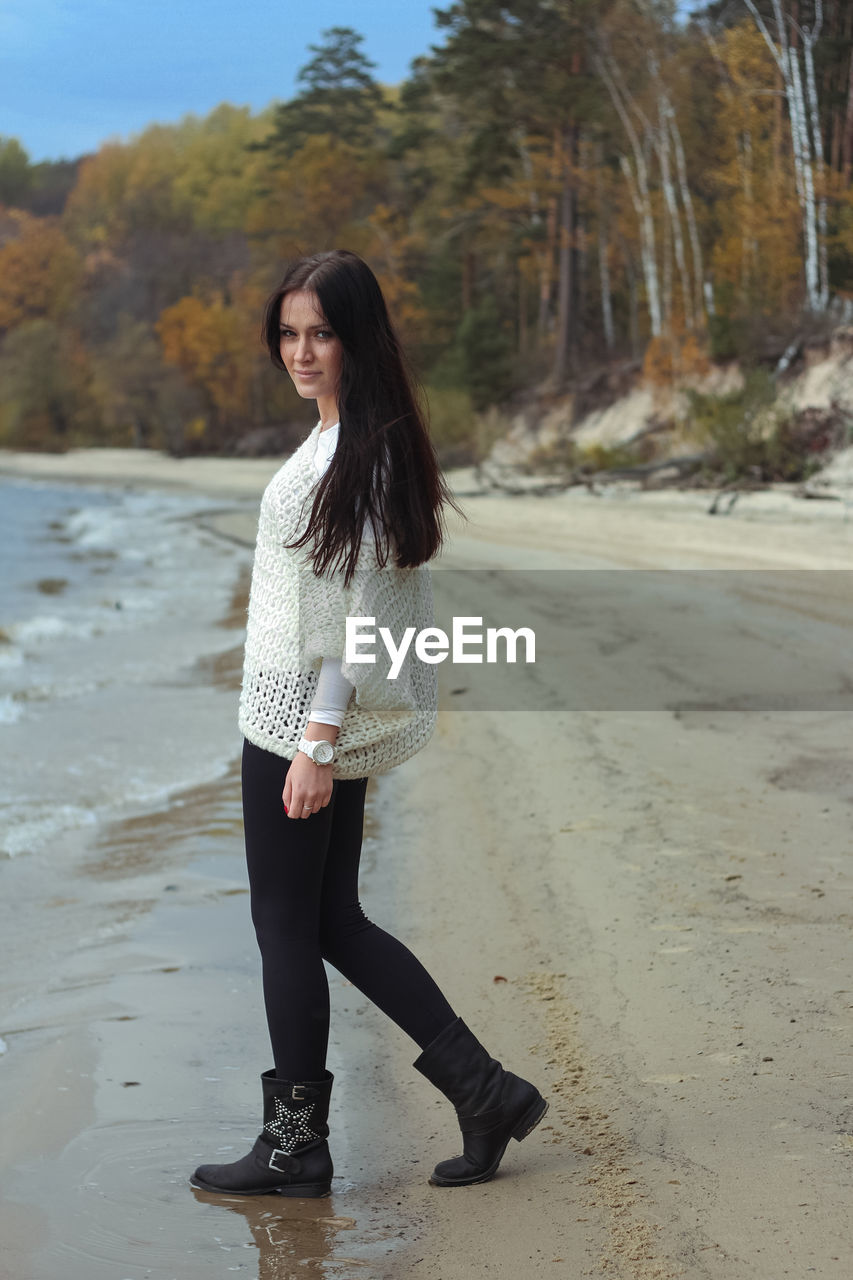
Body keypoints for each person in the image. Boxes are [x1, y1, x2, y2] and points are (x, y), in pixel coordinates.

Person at [190, 249, 547, 1198]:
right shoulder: (347, 436)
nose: (301, 352)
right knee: (332, 920)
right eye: (289, 333)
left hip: (297, 724)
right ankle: (486, 1090)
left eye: (321, 333)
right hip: (295, 715)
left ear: (357, 338)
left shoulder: (364, 449)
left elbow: (359, 619)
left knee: (285, 928)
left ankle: (295, 1145)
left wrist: (314, 744)